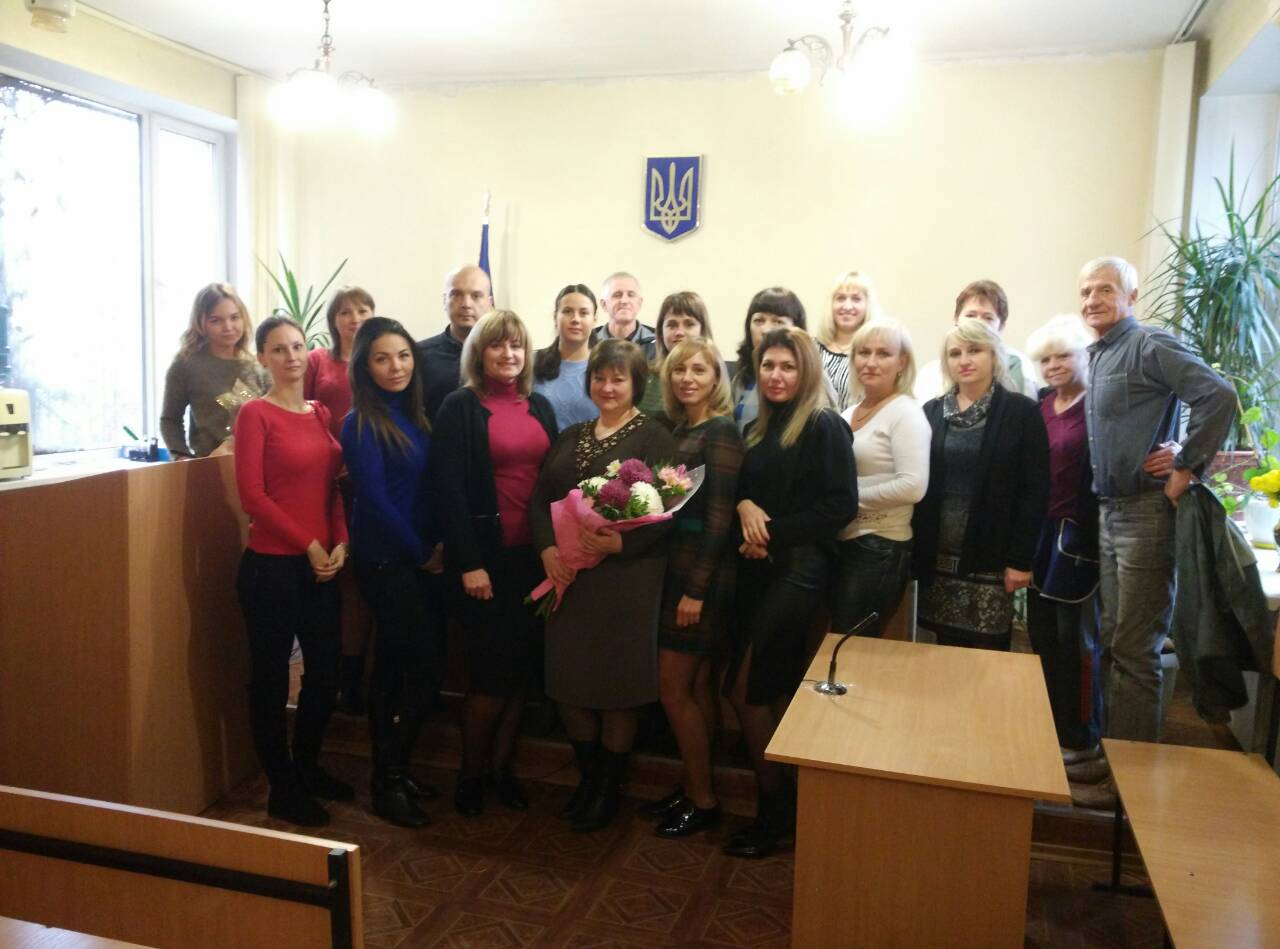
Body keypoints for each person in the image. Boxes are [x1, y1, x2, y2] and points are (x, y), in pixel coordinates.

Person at [1076, 256, 1234, 801]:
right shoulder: (1100, 353)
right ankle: (1111, 756)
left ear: (1132, 296)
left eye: (1104, 289)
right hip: (1109, 510)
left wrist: (1186, 463)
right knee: (1114, 640)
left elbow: (1218, 395)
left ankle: (1130, 786)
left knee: (1135, 648)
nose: (1092, 300)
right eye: (1085, 291)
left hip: (1146, 512)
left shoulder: (1148, 344)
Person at [528, 340, 676, 833]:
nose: (607, 387)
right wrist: (547, 550)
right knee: (568, 683)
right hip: (568, 576)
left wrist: (622, 544)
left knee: (617, 688)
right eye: (599, 377)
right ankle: (588, 779)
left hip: (626, 581)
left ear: (637, 383)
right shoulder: (571, 434)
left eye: (618, 378)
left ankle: (607, 789)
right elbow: (539, 499)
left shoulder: (655, 436)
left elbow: (670, 512)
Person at [726, 327, 857, 859]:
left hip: (799, 570)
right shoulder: (758, 427)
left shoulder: (824, 425)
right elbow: (746, 492)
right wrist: (744, 508)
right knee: (771, 690)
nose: (776, 375)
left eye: (788, 366)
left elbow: (840, 506)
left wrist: (770, 534)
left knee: (747, 692)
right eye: (768, 366)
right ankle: (790, 808)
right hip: (758, 569)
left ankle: (775, 812)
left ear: (806, 371)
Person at [433, 311, 558, 817]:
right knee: (489, 678)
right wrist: (468, 562)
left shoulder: (540, 405)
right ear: (478, 353)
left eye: (517, 346)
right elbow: (447, 492)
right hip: (486, 562)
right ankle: (470, 774)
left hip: (535, 559)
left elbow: (553, 481)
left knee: (520, 676)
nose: (509, 354)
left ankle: (502, 770)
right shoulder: (459, 407)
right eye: (497, 345)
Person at [233, 315, 350, 827]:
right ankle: (282, 786)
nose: (291, 357)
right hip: (272, 569)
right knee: (271, 680)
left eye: (298, 346)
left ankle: (306, 766)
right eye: (278, 349)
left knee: (325, 674)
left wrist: (340, 541)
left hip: (320, 567)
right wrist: (309, 543)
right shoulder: (255, 414)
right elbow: (253, 496)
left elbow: (333, 488)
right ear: (262, 357)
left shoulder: (320, 413)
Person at [639, 337, 743, 838]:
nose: (687, 378)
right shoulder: (680, 428)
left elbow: (720, 519)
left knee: (674, 689)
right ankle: (693, 786)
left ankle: (703, 799)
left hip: (702, 575)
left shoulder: (720, 430)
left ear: (716, 377)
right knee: (696, 689)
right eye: (680, 370)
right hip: (677, 566)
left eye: (699, 370)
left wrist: (696, 590)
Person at [341, 317, 442, 828]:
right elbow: (376, 500)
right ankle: (387, 780)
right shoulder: (360, 422)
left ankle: (395, 773)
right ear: (365, 366)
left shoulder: (417, 414)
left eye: (403, 355)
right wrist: (421, 551)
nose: (395, 366)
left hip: (416, 555)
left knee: (393, 667)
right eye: (382, 358)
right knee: (422, 668)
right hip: (384, 558)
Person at [911, 320, 1049, 651]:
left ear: (994, 355)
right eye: (955, 353)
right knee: (935, 656)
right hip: (936, 559)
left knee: (985, 659)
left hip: (990, 559)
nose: (964, 360)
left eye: (974, 350)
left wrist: (1021, 560)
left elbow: (1035, 490)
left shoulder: (1022, 412)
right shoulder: (931, 411)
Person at [1024, 314, 1105, 803]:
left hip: (1079, 540)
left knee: (1077, 643)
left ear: (1083, 358)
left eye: (1064, 356)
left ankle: (1084, 741)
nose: (1054, 365)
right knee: (1043, 640)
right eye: (1046, 359)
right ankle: (1053, 733)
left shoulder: (1097, 406)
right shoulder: (1040, 406)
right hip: (1039, 536)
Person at [831, 319, 930, 638]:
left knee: (851, 646)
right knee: (838, 642)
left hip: (880, 546)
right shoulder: (848, 413)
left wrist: (846, 497)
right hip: (845, 541)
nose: (871, 362)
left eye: (883, 353)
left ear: (902, 362)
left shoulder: (906, 413)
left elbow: (913, 487)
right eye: (863, 352)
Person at [305, 285, 375, 714]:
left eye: (363, 310)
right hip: (323, 483)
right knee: (328, 579)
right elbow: (300, 412)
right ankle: (322, 675)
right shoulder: (317, 360)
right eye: (346, 311)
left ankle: (353, 679)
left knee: (359, 586)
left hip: (367, 483)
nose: (354, 318)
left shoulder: (378, 362)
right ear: (333, 320)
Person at [161, 283, 266, 458]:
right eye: (216, 320)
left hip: (260, 462)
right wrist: (182, 458)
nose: (228, 326)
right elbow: (170, 420)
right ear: (201, 323)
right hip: (210, 466)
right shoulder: (186, 365)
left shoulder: (259, 365)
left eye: (234, 317)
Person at [913, 280, 1041, 401]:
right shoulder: (929, 373)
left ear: (1001, 327)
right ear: (956, 320)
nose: (978, 323)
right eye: (970, 316)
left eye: (988, 318)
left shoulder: (1018, 365)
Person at [417, 265, 493, 422]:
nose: (466, 304)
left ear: (489, 303)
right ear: (444, 300)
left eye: (476, 296)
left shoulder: (505, 357)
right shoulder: (419, 355)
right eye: (456, 294)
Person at [730, 287, 808, 434]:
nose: (766, 330)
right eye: (759, 320)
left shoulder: (813, 377)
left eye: (778, 321)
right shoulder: (742, 378)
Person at [637, 290, 713, 419]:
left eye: (689, 324)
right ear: (661, 332)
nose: (679, 332)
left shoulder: (714, 378)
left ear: (702, 330)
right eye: (671, 325)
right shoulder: (646, 377)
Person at [532, 284, 599, 429]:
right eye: (567, 311)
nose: (575, 319)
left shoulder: (604, 366)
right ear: (555, 317)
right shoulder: (533, 362)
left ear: (594, 319)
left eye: (583, 313)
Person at [815, 271, 880, 411]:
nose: (847, 306)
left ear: (867, 305)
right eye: (840, 298)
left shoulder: (876, 355)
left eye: (856, 299)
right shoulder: (811, 349)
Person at [588, 272, 656, 360]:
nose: (624, 301)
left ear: (639, 303)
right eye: (617, 295)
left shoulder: (657, 341)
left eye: (631, 295)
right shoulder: (589, 341)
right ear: (604, 304)